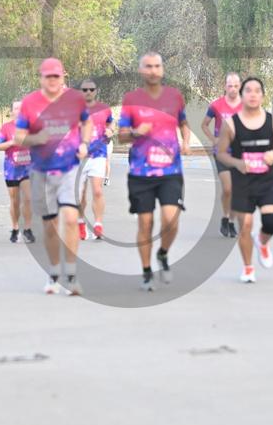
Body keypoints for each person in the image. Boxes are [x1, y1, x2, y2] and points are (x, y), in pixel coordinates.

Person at [15, 58, 92, 296]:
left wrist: (84, 143)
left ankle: (72, 274)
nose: (52, 81)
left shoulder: (75, 99)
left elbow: (86, 122)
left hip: (69, 168)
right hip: (41, 171)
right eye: (48, 76)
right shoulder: (30, 103)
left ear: (62, 77)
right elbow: (19, 137)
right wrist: (36, 139)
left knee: (70, 218)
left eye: (56, 76)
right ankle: (54, 271)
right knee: (50, 227)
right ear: (41, 78)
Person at [118, 52, 191, 291]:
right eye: (148, 66)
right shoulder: (131, 99)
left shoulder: (174, 96)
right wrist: (136, 132)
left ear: (162, 69)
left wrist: (186, 141)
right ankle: (147, 271)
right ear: (141, 70)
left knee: (171, 220)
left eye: (157, 66)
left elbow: (183, 122)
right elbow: (121, 136)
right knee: (145, 223)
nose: (153, 70)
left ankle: (163, 252)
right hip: (141, 172)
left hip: (170, 170)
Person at [217, 77, 273, 283]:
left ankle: (262, 242)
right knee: (245, 225)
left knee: (271, 223)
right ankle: (248, 268)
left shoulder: (271, 121)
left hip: (267, 182)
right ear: (242, 95)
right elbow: (221, 153)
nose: (253, 94)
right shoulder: (231, 124)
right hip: (243, 183)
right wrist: (237, 163)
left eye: (257, 91)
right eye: (248, 90)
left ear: (262, 96)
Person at [201, 73, 242, 238]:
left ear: (240, 86)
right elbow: (204, 125)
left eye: (236, 86)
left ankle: (230, 222)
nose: (233, 89)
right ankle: (225, 217)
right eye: (230, 86)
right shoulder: (216, 105)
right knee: (228, 189)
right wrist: (214, 139)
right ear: (225, 86)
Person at [0, 102, 35, 244]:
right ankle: (15, 227)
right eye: (17, 108)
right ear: (12, 112)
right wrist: (11, 142)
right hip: (11, 168)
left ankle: (27, 229)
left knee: (28, 198)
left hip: (27, 167)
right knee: (15, 201)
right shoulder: (6, 127)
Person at [78, 79, 114, 240]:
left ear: (96, 91)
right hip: (80, 156)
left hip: (98, 154)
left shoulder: (104, 109)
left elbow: (110, 124)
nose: (88, 92)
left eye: (91, 89)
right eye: (85, 90)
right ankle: (80, 222)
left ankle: (98, 224)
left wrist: (110, 131)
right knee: (80, 194)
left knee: (97, 190)